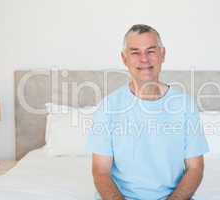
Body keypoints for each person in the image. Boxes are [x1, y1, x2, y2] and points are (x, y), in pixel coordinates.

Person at [86, 24, 209, 200]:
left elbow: (195, 168)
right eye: (135, 52)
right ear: (124, 58)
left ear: (162, 54)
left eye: (151, 51)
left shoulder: (184, 105)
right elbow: (100, 171)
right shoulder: (108, 107)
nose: (144, 59)